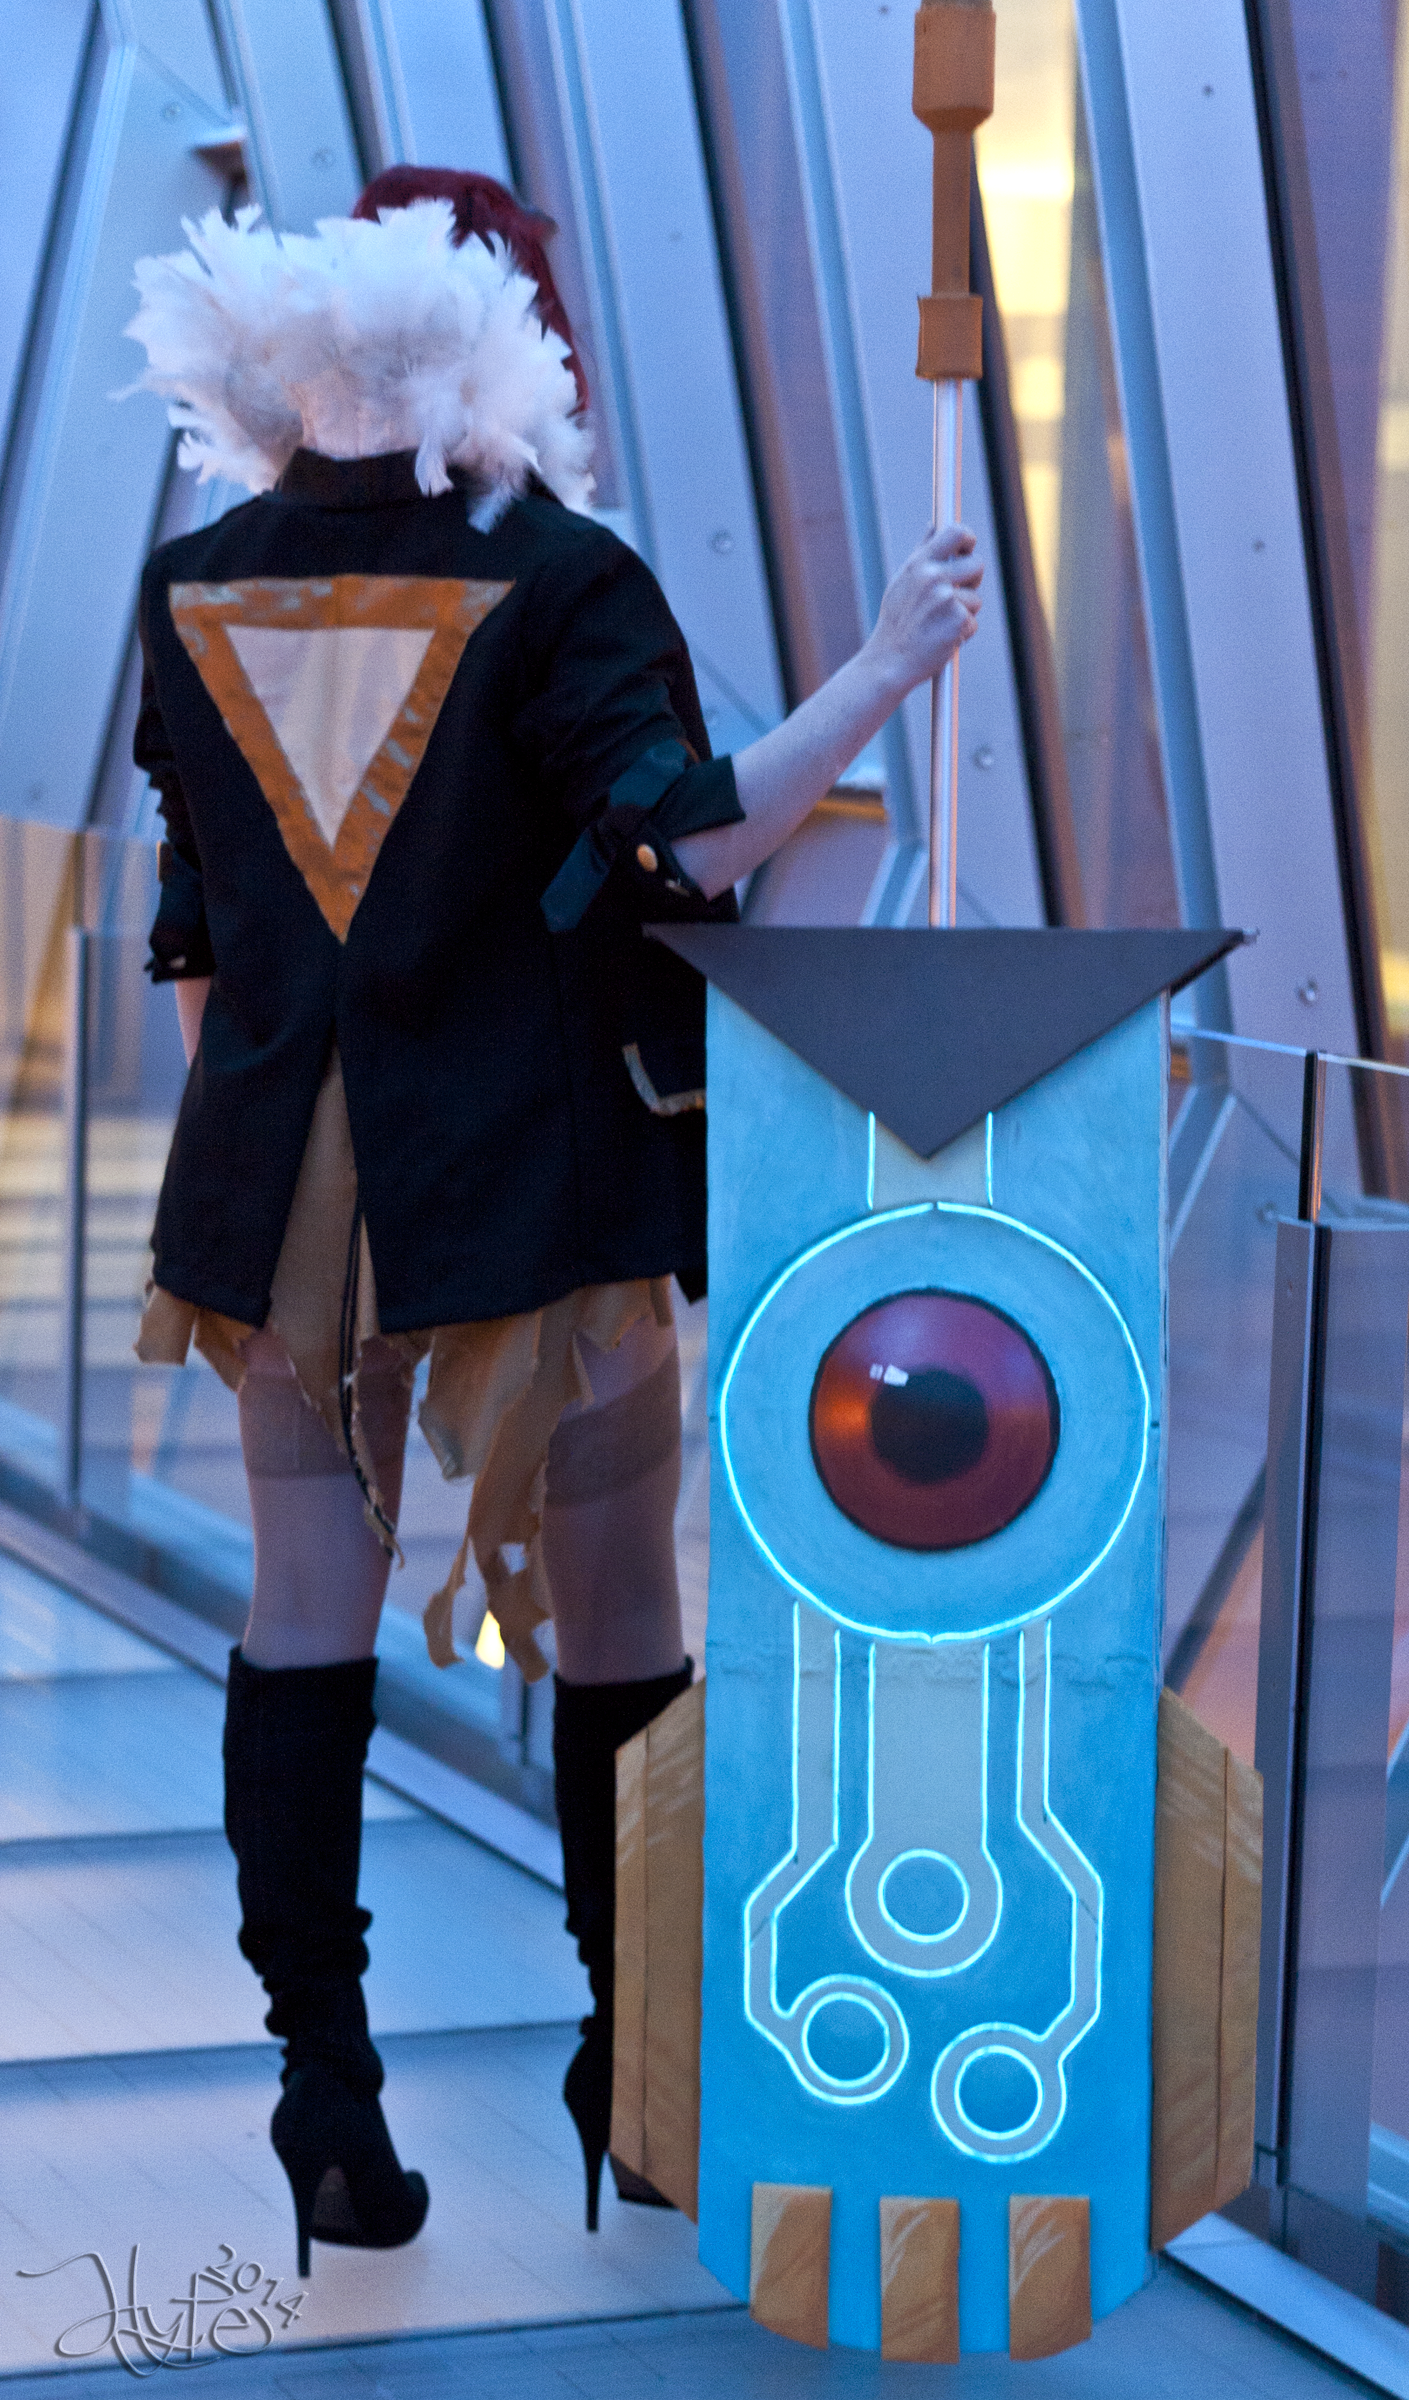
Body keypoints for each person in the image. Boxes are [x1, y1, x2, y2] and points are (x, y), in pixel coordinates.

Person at [123, 165, 982, 2274]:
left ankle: (326, 2088)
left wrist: (270, 1150)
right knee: (619, 1626)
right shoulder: (559, 572)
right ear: (503, 334)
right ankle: (643, 2082)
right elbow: (695, 847)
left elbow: (199, 941)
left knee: (301, 1619)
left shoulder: (198, 586)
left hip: (286, 1199)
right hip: (543, 1193)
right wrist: (886, 663)